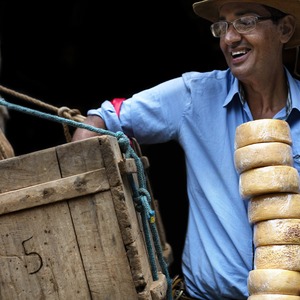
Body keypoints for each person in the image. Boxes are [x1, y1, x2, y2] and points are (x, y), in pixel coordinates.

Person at [72, 0, 300, 299]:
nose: (229, 38)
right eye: (222, 26)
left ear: (284, 28)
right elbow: (104, 120)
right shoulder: (195, 96)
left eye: (245, 21)